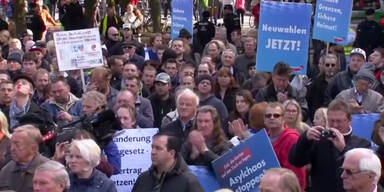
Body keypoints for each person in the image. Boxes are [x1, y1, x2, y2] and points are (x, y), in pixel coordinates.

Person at [289, 99, 371, 192]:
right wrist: (304, 140)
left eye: (339, 121)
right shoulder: (319, 140)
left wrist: (343, 149)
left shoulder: (362, 144)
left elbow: (363, 173)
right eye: (331, 121)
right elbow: (296, 161)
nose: (335, 125)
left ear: (349, 121)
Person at [132, 132, 203, 192]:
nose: (153, 152)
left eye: (158, 148)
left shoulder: (188, 181)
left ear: (171, 153)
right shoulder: (143, 179)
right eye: (152, 147)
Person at [263, 102, 306, 190]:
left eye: (276, 115)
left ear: (283, 119)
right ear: (264, 119)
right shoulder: (263, 139)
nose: (272, 118)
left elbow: (297, 174)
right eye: (268, 115)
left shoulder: (292, 138)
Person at [0, 125, 49, 192]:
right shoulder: (6, 170)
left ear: (33, 148)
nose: (12, 149)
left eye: (17, 145)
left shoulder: (49, 170)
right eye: (11, 144)